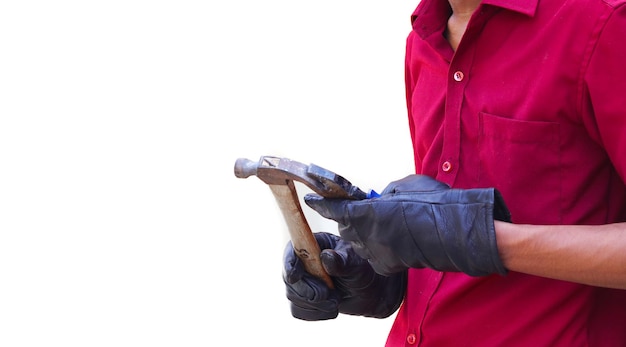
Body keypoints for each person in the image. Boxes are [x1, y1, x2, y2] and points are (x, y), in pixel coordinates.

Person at [281, 0, 626, 344]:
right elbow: (445, 223)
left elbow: (460, 233)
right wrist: (381, 273)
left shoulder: (600, 24)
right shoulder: (422, 40)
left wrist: (484, 240)